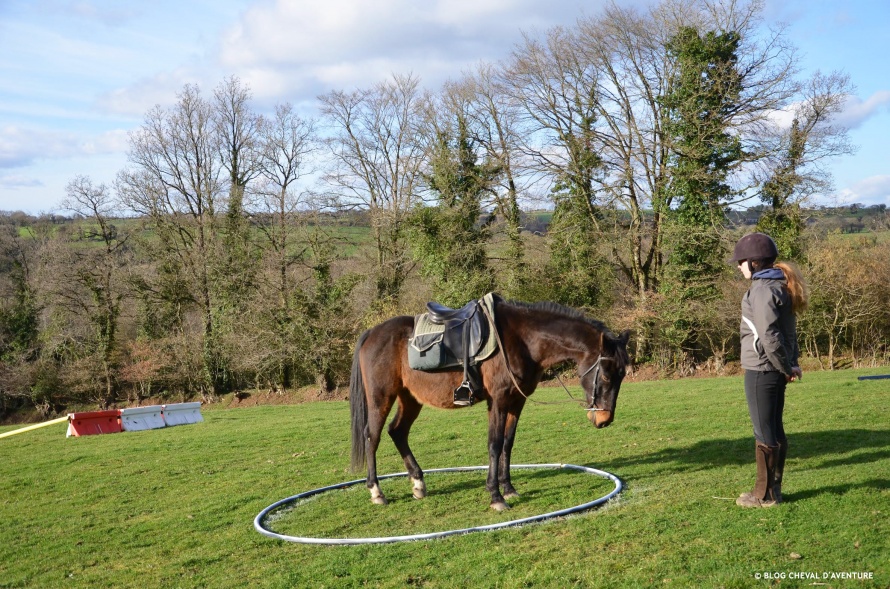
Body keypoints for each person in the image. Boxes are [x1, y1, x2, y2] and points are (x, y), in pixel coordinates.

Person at [730, 232, 808, 508]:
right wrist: (790, 364)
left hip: (762, 370)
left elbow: (770, 336)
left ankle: (764, 495)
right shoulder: (779, 286)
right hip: (774, 369)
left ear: (753, 263)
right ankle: (774, 490)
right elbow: (789, 333)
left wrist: (786, 365)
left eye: (740, 262)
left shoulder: (762, 291)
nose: (738, 267)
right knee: (774, 429)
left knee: (765, 432)